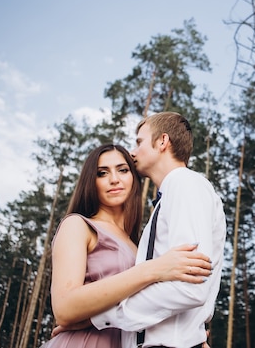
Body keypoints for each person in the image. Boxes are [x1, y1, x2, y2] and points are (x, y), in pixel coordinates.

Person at [42, 143, 212, 348]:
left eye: (122, 170)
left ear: (134, 177)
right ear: (91, 181)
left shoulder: (138, 246)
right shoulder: (78, 225)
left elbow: (152, 304)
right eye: (102, 173)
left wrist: (191, 336)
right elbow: (64, 308)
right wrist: (153, 269)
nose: (114, 179)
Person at [90, 112, 227, 348]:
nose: (133, 152)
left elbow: (190, 288)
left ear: (162, 142)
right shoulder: (172, 194)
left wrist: (101, 317)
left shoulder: (186, 185)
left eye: (139, 142)